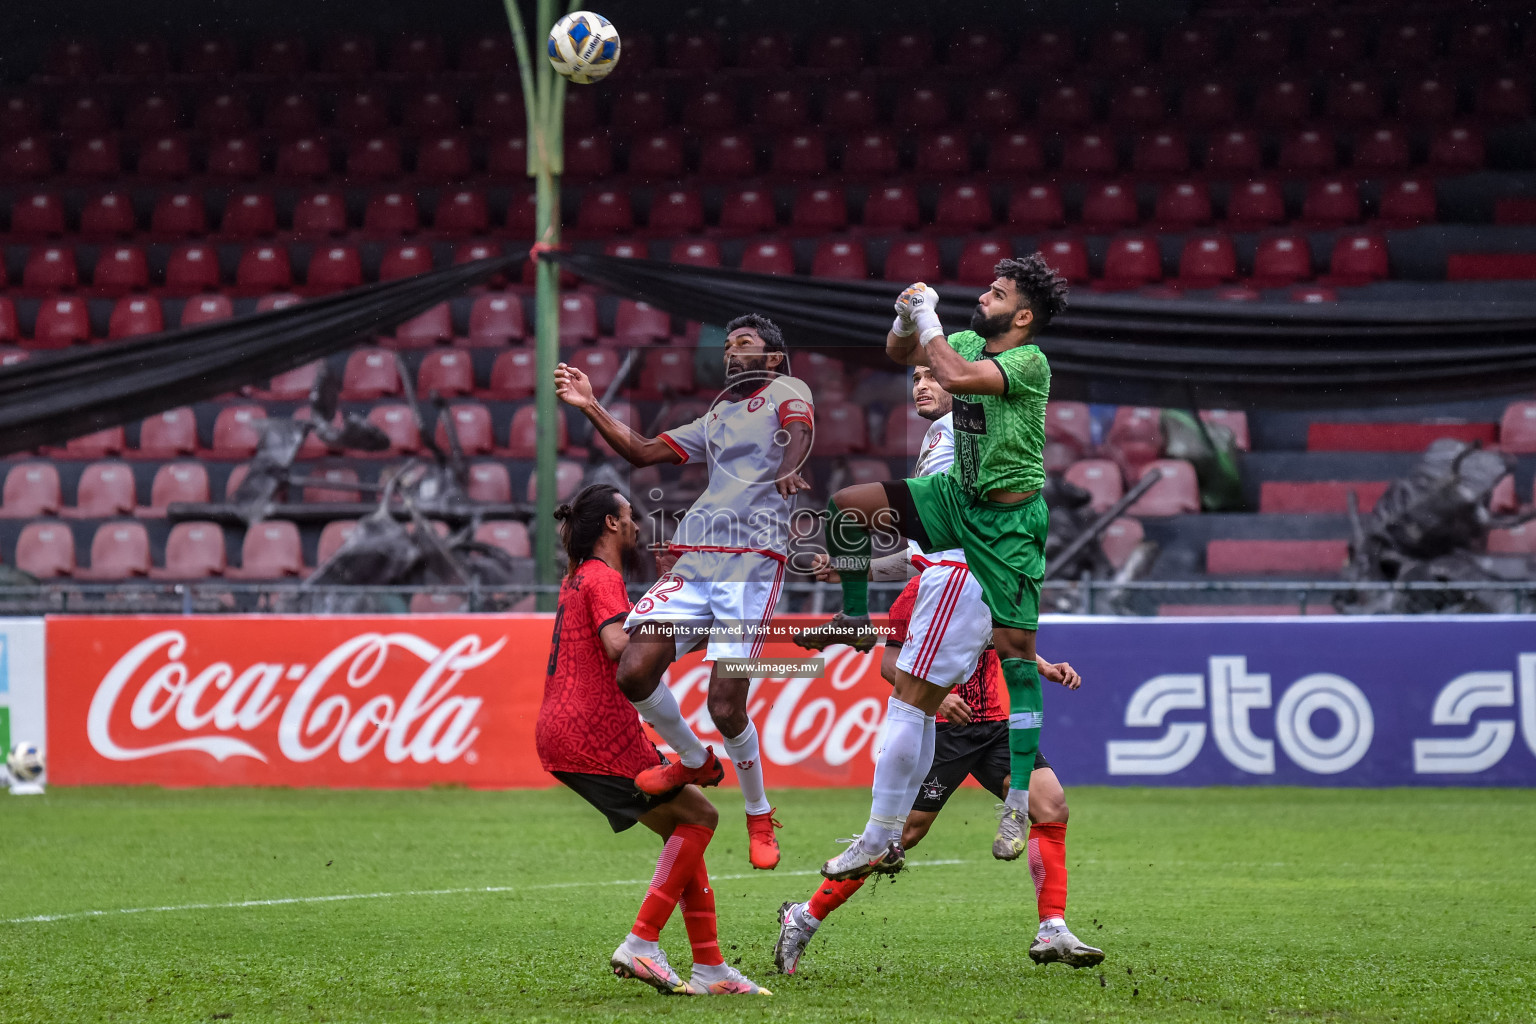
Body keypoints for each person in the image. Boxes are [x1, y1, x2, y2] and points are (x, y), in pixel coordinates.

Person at [773, 366, 1101, 972]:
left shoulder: (965, 433)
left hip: (994, 720)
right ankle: (807, 915)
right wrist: (865, 577)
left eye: (932, 376)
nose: (920, 385)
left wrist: (1040, 664)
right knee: (907, 834)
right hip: (949, 730)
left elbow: (948, 560)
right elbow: (902, 628)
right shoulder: (935, 573)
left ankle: (1052, 927)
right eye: (916, 377)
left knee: (1052, 807)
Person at [793, 257, 1069, 882]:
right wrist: (902, 317)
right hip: (959, 505)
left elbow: (953, 372)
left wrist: (928, 318)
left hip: (1005, 527)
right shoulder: (964, 347)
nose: (984, 295)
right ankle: (855, 613)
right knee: (846, 508)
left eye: (996, 293)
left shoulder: (1028, 361)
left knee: (988, 672)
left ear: (1022, 316)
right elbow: (905, 353)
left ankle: (1011, 803)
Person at [553, 314, 815, 870]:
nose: (730, 352)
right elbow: (644, 451)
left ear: (772, 358)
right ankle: (693, 760)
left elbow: (801, 431)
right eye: (727, 345)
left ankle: (759, 812)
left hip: (750, 568)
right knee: (635, 669)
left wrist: (790, 470)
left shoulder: (788, 391)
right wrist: (592, 405)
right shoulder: (718, 414)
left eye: (743, 343)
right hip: (696, 562)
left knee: (725, 705)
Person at [537, 483, 770, 996]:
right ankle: (642, 942)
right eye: (629, 515)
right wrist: (690, 626)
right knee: (702, 817)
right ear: (611, 526)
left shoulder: (579, 576)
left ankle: (711, 970)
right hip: (595, 734)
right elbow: (621, 646)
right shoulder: (602, 577)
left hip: (567, 730)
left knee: (686, 826)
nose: (638, 524)